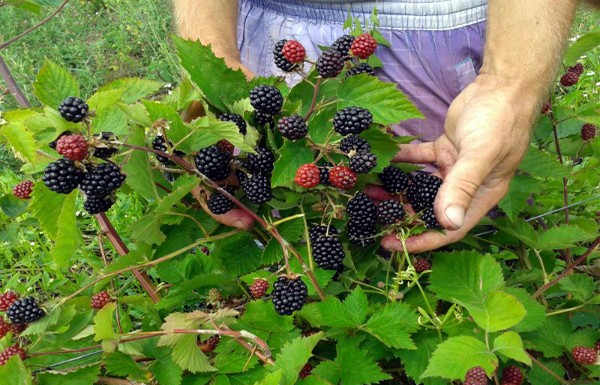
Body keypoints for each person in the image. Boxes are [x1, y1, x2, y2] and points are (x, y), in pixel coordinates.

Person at [173, 0, 579, 253]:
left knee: (455, 232)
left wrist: (508, 87)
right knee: (281, 234)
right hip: (259, 40)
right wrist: (211, 55)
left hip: (453, 37)